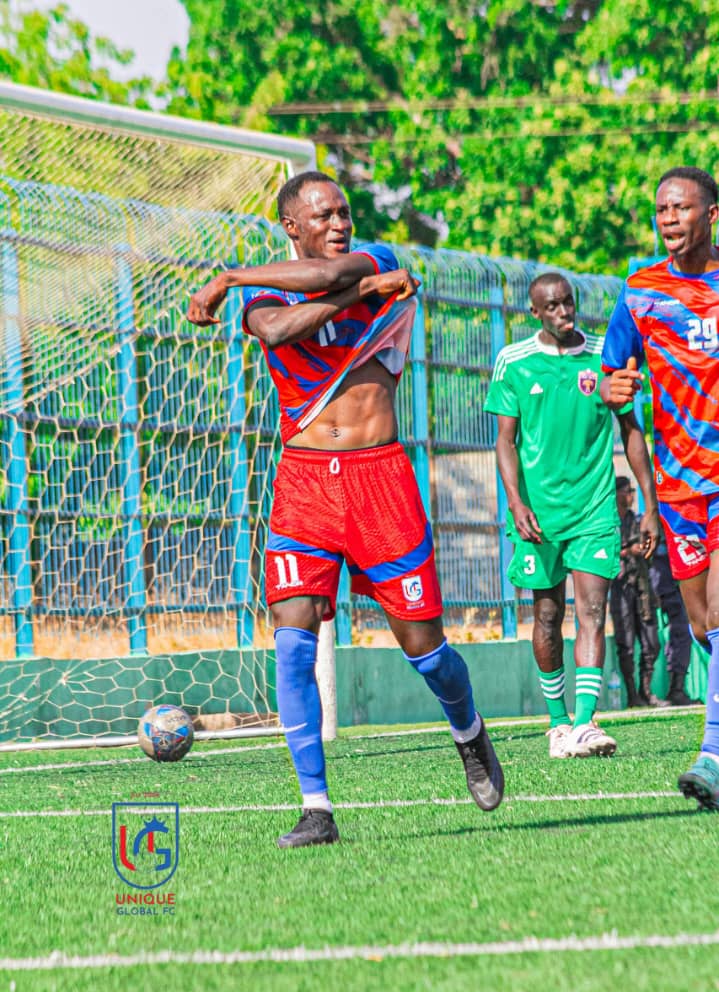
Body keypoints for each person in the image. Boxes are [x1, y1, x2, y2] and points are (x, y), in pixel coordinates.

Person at [187, 170, 503, 847]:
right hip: (305, 483)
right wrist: (352, 294)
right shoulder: (269, 295)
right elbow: (278, 331)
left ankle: (469, 730)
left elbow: (339, 277)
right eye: (322, 216)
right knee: (292, 641)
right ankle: (316, 807)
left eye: (343, 212)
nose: (338, 224)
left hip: (379, 479)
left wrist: (238, 277)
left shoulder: (376, 258)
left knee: (425, 651)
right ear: (291, 228)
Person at [485, 272, 659, 760]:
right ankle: (558, 723)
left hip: (594, 508)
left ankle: (584, 722)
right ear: (534, 312)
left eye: (568, 302)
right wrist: (516, 503)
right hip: (539, 515)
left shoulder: (604, 356)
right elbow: (505, 441)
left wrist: (650, 504)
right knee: (547, 615)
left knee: (592, 611)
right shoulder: (513, 361)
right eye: (552, 306)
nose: (564, 313)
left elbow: (631, 431)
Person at [601, 165, 719, 810]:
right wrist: (612, 389)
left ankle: (712, 757)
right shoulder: (640, 292)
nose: (669, 218)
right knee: (703, 626)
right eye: (662, 209)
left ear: (712, 215)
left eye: (682, 207)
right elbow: (612, 381)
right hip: (679, 486)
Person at [610, 476, 666, 708]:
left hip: (642, 587)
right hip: (621, 588)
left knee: (652, 642)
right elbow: (604, 552)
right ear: (616, 494)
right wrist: (627, 551)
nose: (631, 495)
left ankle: (646, 691)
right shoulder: (610, 524)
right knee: (625, 644)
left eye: (632, 490)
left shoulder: (638, 521)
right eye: (627, 490)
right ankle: (633, 695)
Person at [649, 539, 700, 707]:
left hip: (676, 565)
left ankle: (677, 688)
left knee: (682, 630)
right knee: (677, 630)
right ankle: (666, 690)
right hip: (662, 571)